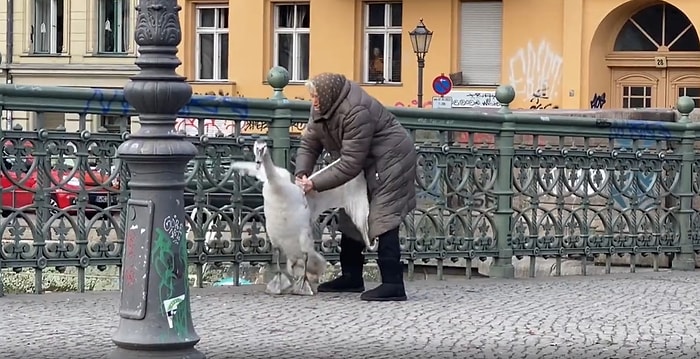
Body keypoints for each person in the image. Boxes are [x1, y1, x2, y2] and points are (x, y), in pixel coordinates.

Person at [294, 72, 417, 302]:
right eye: (312, 97)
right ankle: (352, 276)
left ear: (328, 95)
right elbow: (310, 142)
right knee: (351, 214)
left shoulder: (355, 110)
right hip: (367, 160)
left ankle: (393, 284)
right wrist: (302, 172)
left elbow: (350, 162)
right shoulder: (322, 107)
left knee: (384, 216)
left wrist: (315, 183)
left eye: (316, 96)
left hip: (392, 158)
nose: (314, 101)